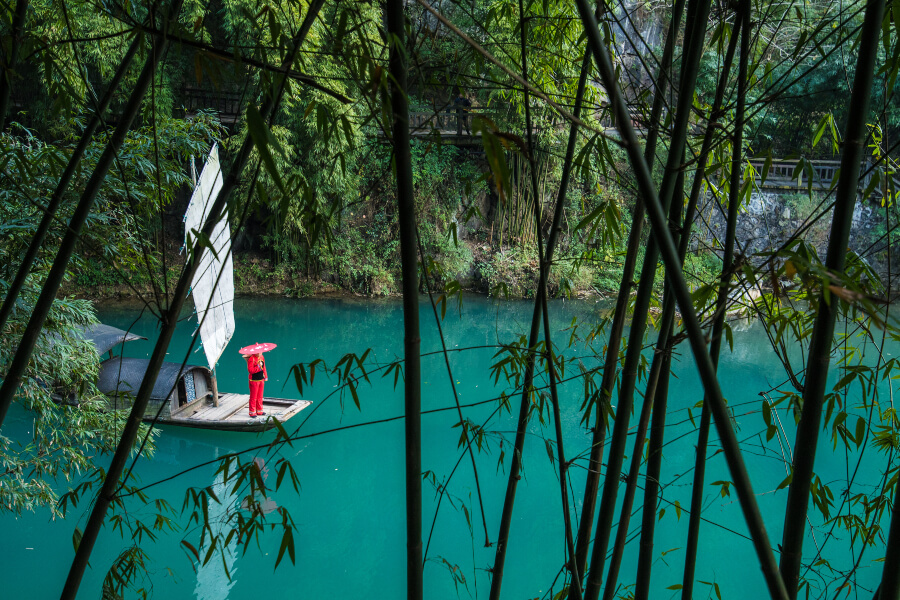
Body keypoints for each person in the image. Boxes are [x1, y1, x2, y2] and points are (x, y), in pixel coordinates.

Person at [245, 353, 268, 417]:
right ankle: (252, 412)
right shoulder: (251, 359)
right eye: (258, 352)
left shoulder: (262, 357)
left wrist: (265, 375)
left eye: (260, 352)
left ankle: (259, 410)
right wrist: (258, 366)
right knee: (253, 397)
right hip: (254, 380)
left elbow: (264, 367)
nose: (260, 353)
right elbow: (250, 370)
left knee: (260, 396)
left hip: (261, 379)